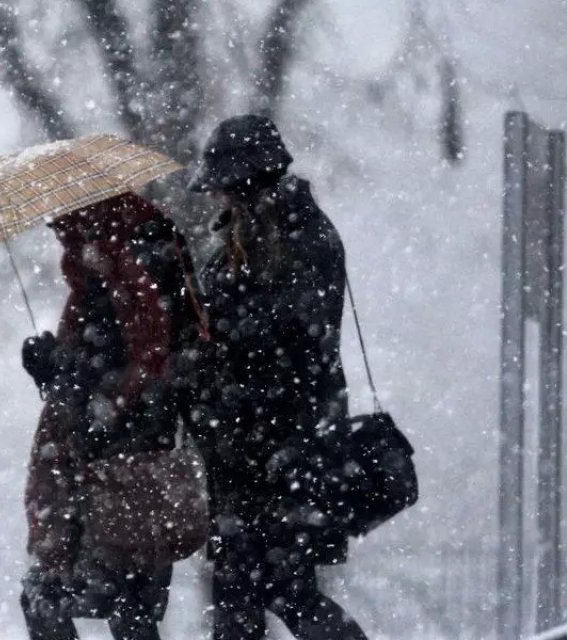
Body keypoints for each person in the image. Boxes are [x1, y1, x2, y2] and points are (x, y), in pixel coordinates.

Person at [188, 114, 368, 640]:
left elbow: (293, 341)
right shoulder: (250, 239)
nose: (216, 197)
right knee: (245, 595)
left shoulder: (301, 238)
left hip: (283, 447)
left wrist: (220, 328)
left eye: (223, 186)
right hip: (251, 451)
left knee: (280, 591)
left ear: (246, 182)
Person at [18, 193, 203, 640]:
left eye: (65, 221)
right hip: (113, 465)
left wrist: (72, 376)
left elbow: (141, 364)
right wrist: (54, 367)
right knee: (107, 603)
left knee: (116, 600)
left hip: (123, 468)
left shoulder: (129, 266)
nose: (59, 231)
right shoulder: (105, 274)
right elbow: (106, 363)